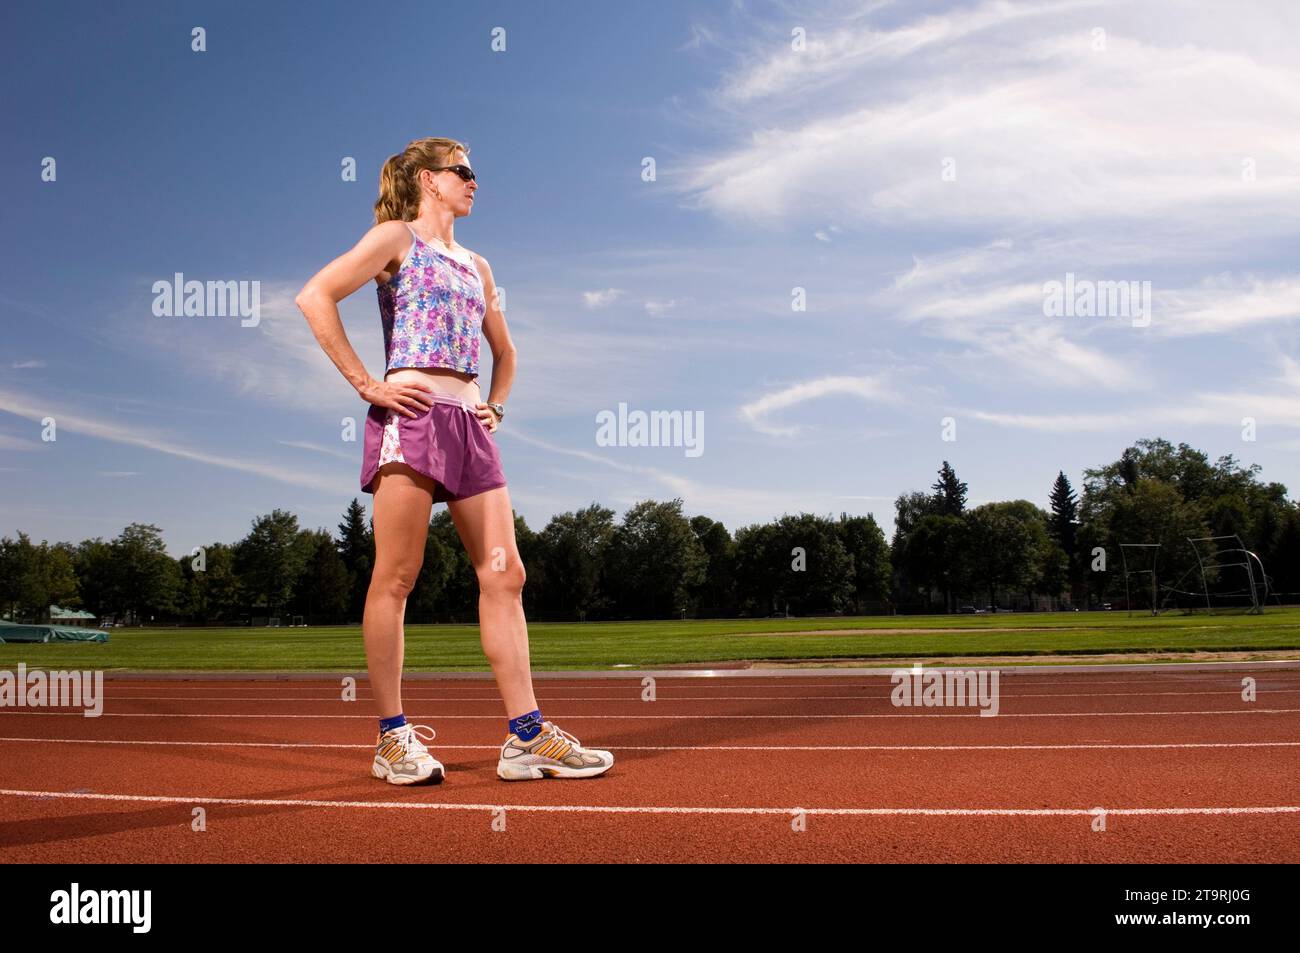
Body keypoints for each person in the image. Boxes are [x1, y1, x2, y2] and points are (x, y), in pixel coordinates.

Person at [295, 136, 613, 784]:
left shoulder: (479, 267)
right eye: (463, 171)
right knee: (398, 575)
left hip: (469, 424)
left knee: (506, 574)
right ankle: (392, 738)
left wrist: (496, 402)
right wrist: (368, 383)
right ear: (428, 179)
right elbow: (315, 296)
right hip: (410, 417)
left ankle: (526, 736)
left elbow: (508, 350)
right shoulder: (393, 239)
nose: (475, 181)